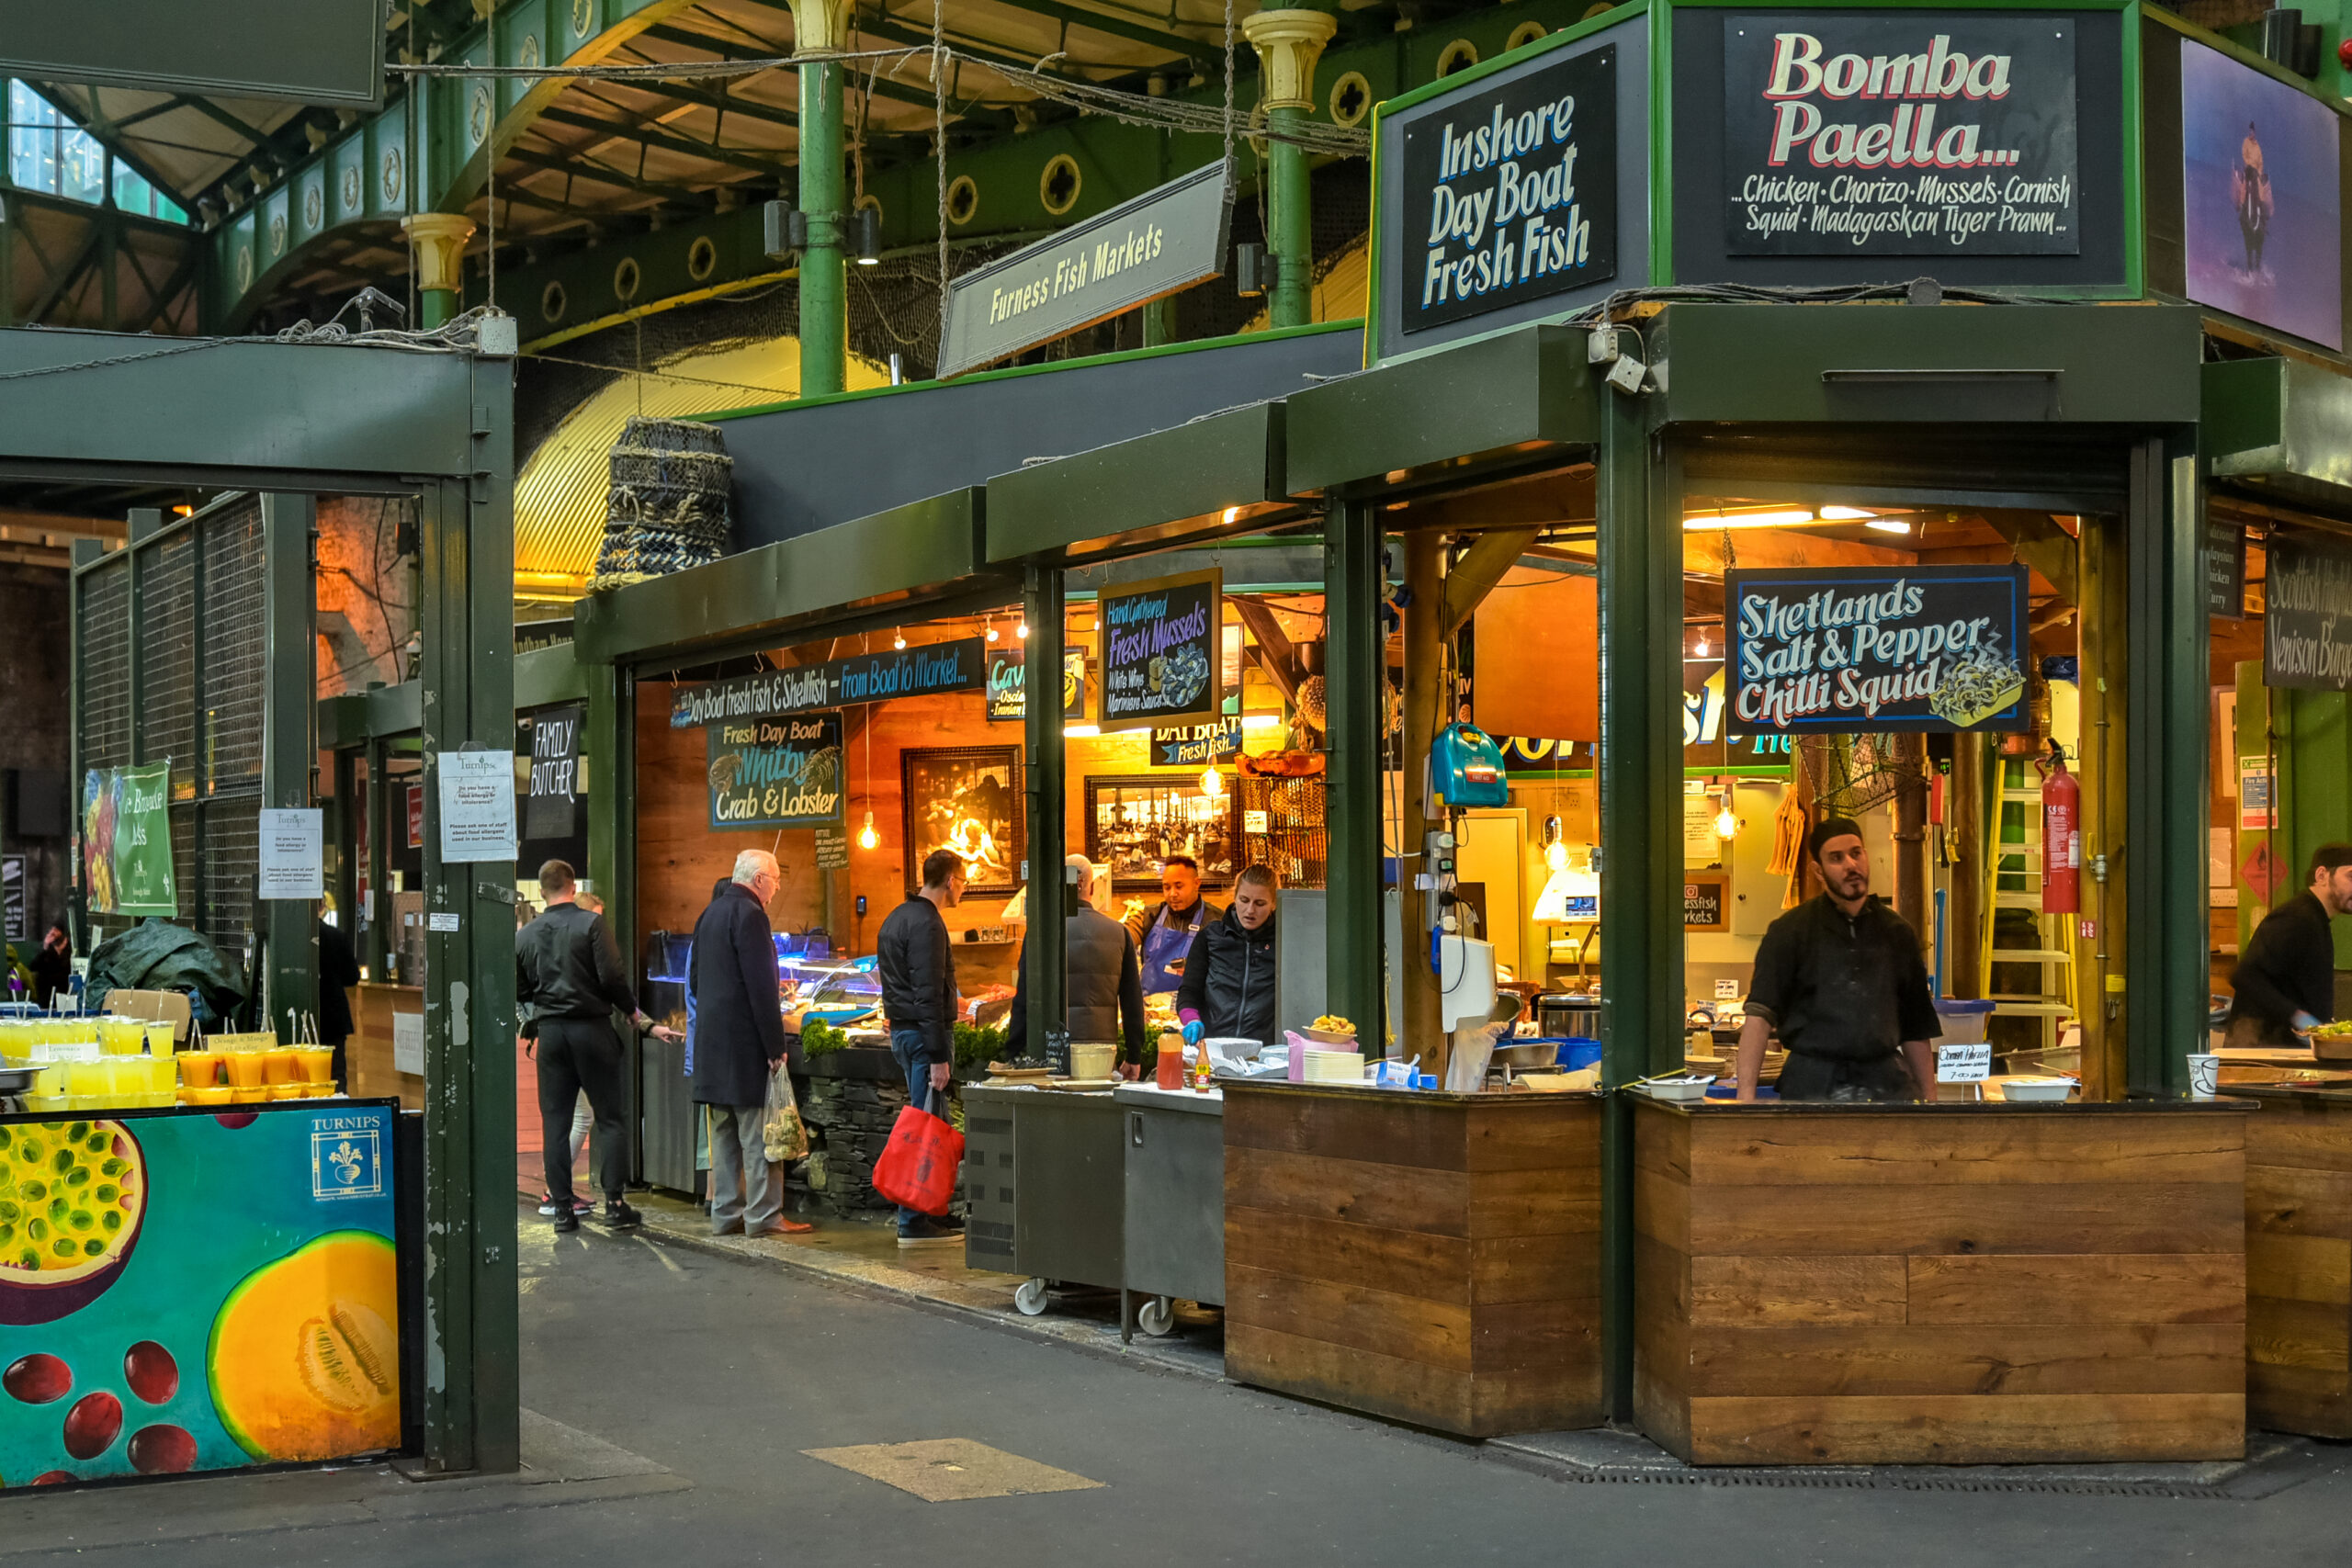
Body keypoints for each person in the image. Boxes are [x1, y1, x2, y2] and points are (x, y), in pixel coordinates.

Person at [517, 859, 679, 1233]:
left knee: (555, 1123)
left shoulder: (525, 935)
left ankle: (561, 1210)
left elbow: (520, 988)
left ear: (541, 891)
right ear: (573, 887)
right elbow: (612, 976)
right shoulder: (592, 924)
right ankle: (615, 1204)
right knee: (610, 1119)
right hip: (592, 1031)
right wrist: (633, 1014)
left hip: (552, 1035)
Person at [1736, 818, 1939, 1102]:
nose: (1850, 865)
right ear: (1818, 871)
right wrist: (1745, 1100)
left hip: (1887, 1088)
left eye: (1856, 853)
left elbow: (1915, 1028)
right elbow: (1758, 1017)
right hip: (1811, 1087)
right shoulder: (1790, 931)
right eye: (1836, 858)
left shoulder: (1898, 933)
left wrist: (1930, 1105)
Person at [691, 850, 811, 1238]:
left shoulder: (708, 914)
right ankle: (763, 1216)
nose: (776, 889)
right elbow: (763, 990)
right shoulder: (752, 916)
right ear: (759, 879)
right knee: (760, 1140)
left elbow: (693, 982)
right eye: (775, 880)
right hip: (744, 1048)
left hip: (711, 1048)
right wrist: (776, 1047)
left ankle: (725, 1215)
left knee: (724, 1139)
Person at [876, 848, 967, 1247]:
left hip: (902, 1033)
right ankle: (913, 1219)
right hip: (924, 1038)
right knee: (926, 1128)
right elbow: (928, 993)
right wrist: (938, 1055)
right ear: (949, 880)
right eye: (963, 880)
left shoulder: (896, 916)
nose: (963, 886)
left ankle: (930, 1211)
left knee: (927, 1122)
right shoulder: (929, 924)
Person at [1008, 854, 1148, 1075]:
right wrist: (1134, 1055)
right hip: (1101, 1054)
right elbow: (1132, 1002)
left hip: (1052, 1051)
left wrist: (1012, 1053)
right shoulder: (1120, 933)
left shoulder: (1039, 932)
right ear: (1089, 887)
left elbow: (1025, 997)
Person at [2226, 842, 2352, 1048]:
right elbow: (2245, 975)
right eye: (2351, 876)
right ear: (2322, 876)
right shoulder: (2296, 918)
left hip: (2288, 1048)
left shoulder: (2316, 920)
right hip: (2265, 1051)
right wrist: (2297, 1016)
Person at [1175, 863, 1280, 1049]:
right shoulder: (1210, 937)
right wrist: (1191, 1019)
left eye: (1260, 903)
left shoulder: (1282, 942)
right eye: (1244, 900)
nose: (1250, 910)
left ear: (1274, 903)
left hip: (1265, 1052)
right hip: (1213, 1048)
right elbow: (1189, 991)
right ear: (1235, 897)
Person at [1125, 855, 1219, 997]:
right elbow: (1123, 937)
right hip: (1152, 1010)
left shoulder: (1217, 922)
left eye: (1179, 886)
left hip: (1196, 1010)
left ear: (1197, 883)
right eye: (1167, 887)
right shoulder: (1149, 916)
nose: (1172, 894)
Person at [317, 915, 360, 1089]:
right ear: (321, 906)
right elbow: (352, 977)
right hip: (333, 1013)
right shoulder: (337, 936)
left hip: (297, 1015)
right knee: (336, 1072)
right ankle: (338, 1109)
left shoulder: (288, 939)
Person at [28, 921, 71, 1010]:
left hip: (65, 997)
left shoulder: (70, 950)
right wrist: (45, 948)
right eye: (51, 932)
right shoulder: (46, 951)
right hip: (46, 998)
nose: (52, 933)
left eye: (56, 930)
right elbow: (33, 966)